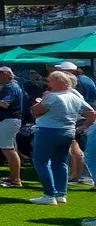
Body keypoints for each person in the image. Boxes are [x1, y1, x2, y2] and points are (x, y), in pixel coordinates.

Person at [29, 71, 96, 206]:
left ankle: (49, 194)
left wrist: (41, 100)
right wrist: (82, 127)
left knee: (40, 161)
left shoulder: (52, 96)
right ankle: (61, 193)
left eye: (49, 81)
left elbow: (35, 111)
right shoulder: (74, 96)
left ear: (57, 81)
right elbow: (91, 113)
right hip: (68, 131)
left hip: (48, 130)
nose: (47, 83)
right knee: (60, 162)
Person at [55, 62, 96, 187]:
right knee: (78, 148)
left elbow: (84, 106)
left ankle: (77, 174)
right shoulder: (85, 80)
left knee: (76, 148)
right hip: (84, 118)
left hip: (81, 118)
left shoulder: (75, 87)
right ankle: (78, 174)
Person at [0, 67, 25, 188]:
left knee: (8, 149)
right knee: (10, 149)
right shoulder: (10, 86)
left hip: (9, 119)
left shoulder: (11, 87)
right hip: (8, 120)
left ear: (7, 75)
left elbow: (5, 104)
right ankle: (13, 176)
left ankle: (16, 179)